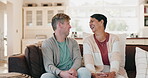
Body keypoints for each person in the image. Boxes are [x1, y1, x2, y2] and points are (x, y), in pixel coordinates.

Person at [83, 14, 128, 78]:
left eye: (92, 21)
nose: (90, 24)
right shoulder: (87, 41)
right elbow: (88, 60)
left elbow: (115, 57)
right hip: (96, 72)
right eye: (89, 22)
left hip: (114, 71)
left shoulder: (114, 39)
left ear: (101, 22)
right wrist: (93, 74)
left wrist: (113, 73)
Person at [41, 13, 83, 78]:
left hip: (73, 73)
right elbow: (48, 65)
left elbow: (78, 59)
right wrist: (61, 73)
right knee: (45, 76)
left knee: (84, 71)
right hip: (57, 74)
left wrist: (73, 69)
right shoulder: (47, 43)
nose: (70, 26)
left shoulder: (73, 42)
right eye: (68, 23)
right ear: (60, 25)